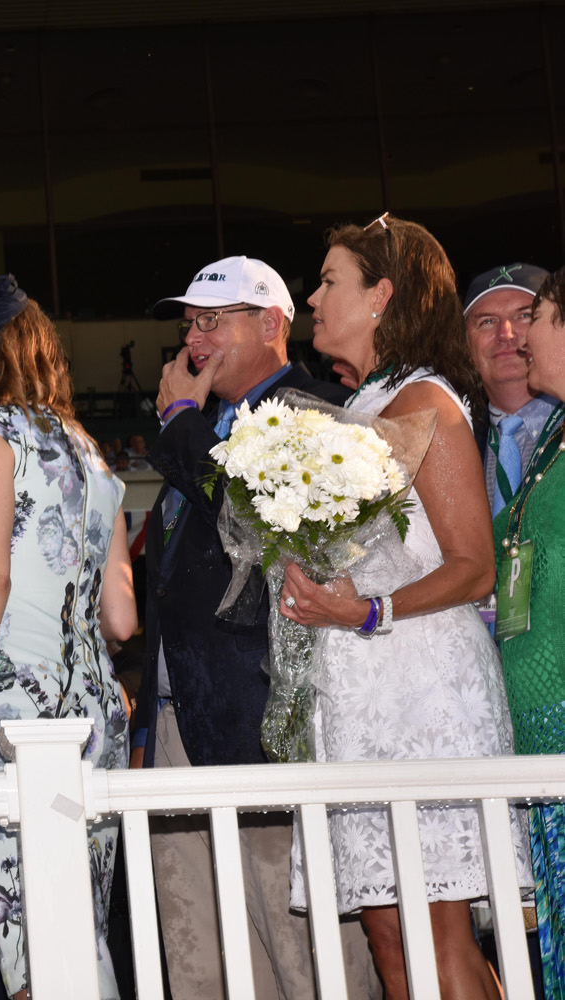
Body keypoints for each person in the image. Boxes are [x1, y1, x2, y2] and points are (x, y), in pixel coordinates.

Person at [282, 213, 529, 1000]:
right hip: (360, 697)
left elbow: (474, 566)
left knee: (434, 929)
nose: (313, 298)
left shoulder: (428, 399)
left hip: (421, 687)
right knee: (388, 935)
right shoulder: (362, 405)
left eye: (329, 281)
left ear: (381, 296)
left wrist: (368, 612)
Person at [135, 256, 375, 999]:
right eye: (188, 325)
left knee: (301, 951)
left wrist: (180, 427)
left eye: (212, 321)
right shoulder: (205, 426)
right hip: (180, 720)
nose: (193, 340)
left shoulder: (317, 409)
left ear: (272, 323)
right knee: (200, 950)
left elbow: (256, 514)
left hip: (264, 723)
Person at [0, 275, 135, 999]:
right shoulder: (92, 453)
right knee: (77, 929)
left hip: (15, 704)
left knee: (29, 946)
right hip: (96, 710)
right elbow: (123, 619)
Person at [497, 267, 565, 999]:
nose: (519, 338)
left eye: (537, 317)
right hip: (540, 730)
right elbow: (494, 545)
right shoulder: (552, 439)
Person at [463, 263, 557, 517]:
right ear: (465, 345)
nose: (505, 334)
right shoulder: (455, 442)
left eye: (525, 315)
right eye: (487, 321)